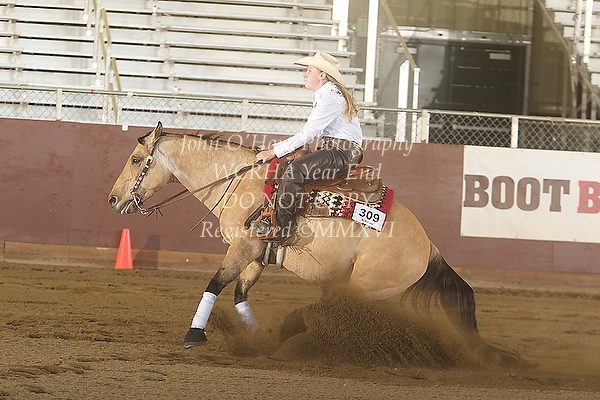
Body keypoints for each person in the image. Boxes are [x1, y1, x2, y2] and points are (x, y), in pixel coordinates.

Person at [251, 51, 363, 243]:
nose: (305, 74)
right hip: (338, 150)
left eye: (310, 70)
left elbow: (307, 134)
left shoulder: (329, 97)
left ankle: (281, 228)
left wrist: (273, 152)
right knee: (292, 160)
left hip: (341, 153)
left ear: (322, 75)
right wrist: (276, 147)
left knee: (296, 169)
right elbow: (307, 134)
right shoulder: (328, 94)